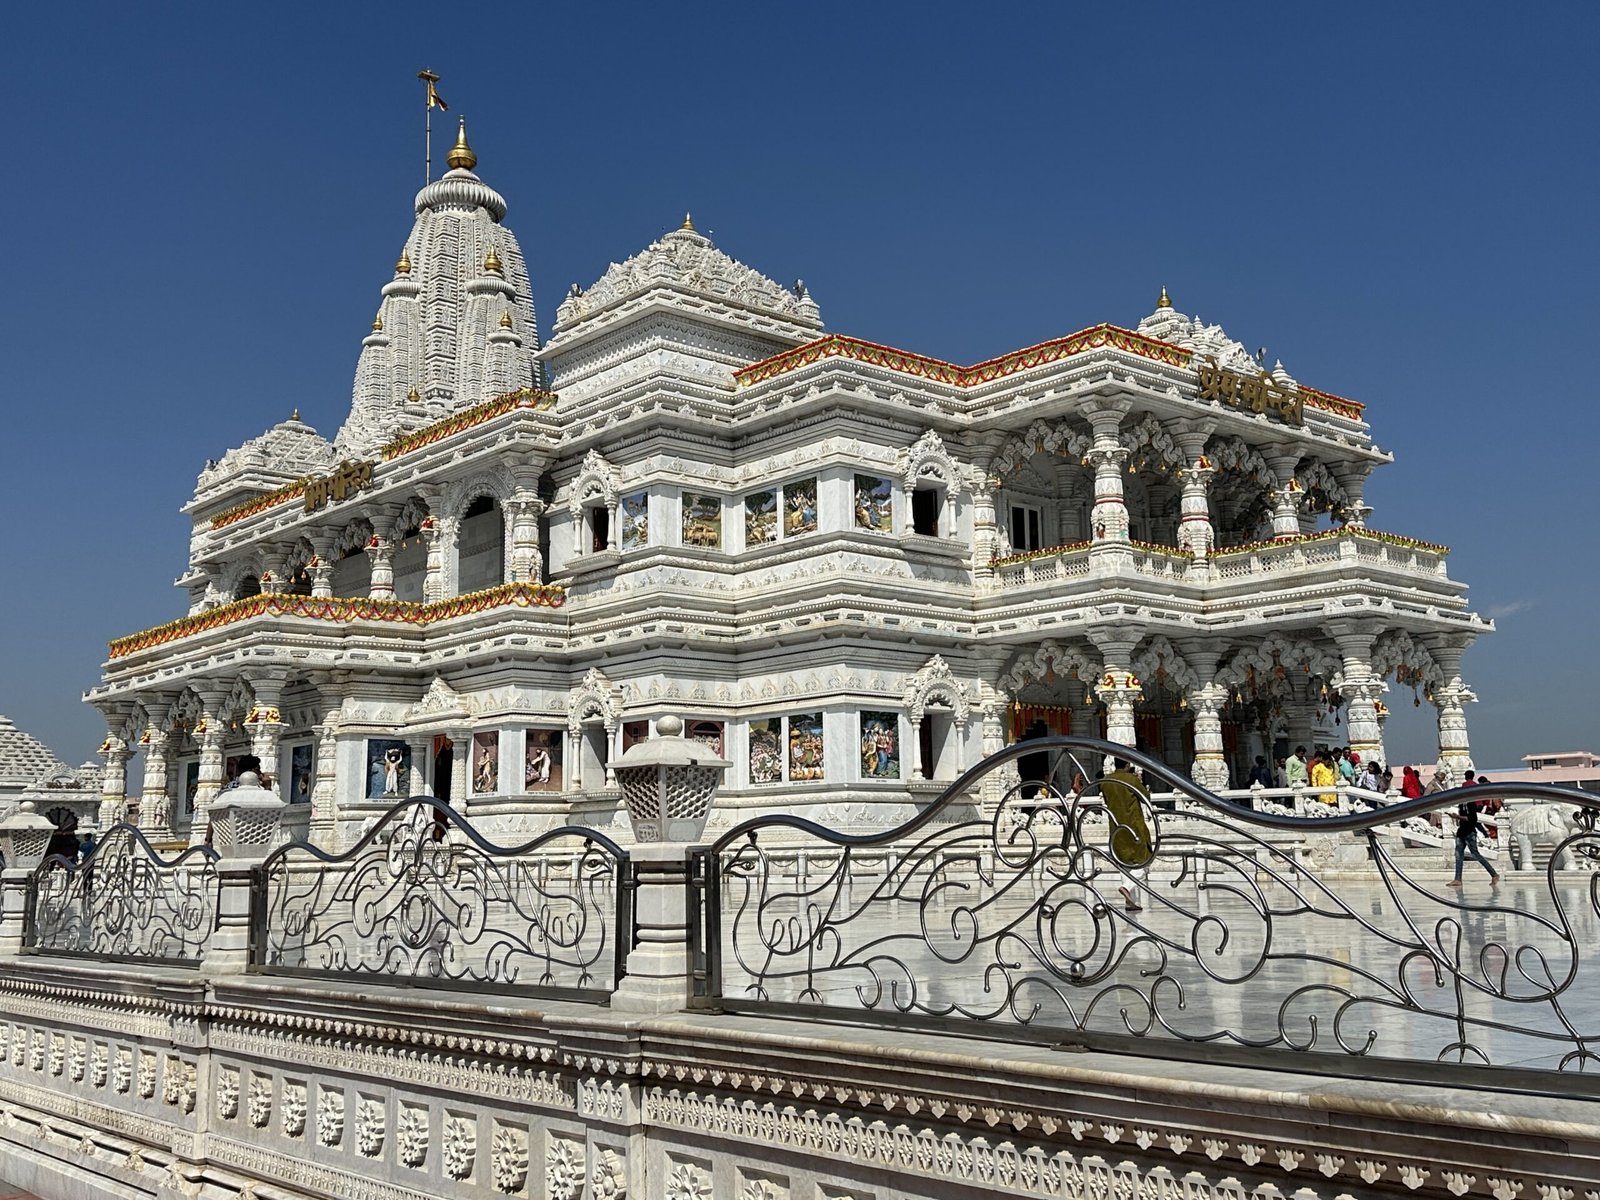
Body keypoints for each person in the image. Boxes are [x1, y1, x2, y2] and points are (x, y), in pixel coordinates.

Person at [1101, 759, 1154, 912]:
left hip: (1116, 827)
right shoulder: (1131, 779)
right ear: (1127, 765)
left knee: (1123, 863)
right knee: (1144, 862)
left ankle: (1130, 902)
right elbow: (1145, 797)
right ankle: (1127, 887)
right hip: (1133, 825)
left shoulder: (1106, 781)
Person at [1449, 794, 1500, 888]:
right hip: (1461, 832)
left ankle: (1494, 874)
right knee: (1458, 855)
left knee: (1475, 854)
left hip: (1469, 832)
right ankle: (1458, 879)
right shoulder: (1461, 805)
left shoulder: (1471, 804)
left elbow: (1473, 819)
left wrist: (1458, 817)